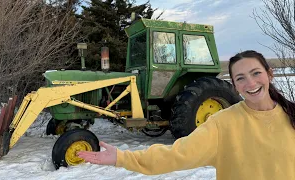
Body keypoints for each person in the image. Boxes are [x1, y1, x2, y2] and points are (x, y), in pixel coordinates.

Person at [77, 50, 295, 179]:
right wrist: (123, 157)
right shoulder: (223, 123)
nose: (250, 83)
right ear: (235, 86)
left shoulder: (291, 115)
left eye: (256, 73)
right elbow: (175, 155)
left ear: (269, 74)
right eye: (240, 78)